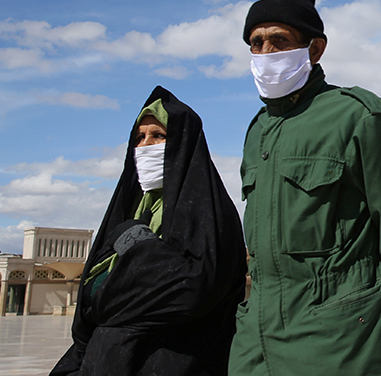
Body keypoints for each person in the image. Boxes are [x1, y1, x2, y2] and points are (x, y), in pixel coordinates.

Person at [229, 0, 381, 376]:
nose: (265, 52)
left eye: (280, 41)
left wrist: (357, 302)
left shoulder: (358, 117)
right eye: (256, 43)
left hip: (338, 345)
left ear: (315, 48)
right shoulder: (257, 131)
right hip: (256, 345)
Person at [52, 87, 247, 376]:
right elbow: (92, 298)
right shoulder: (130, 208)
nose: (146, 145)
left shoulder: (208, 212)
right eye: (139, 138)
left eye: (158, 136)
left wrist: (135, 245)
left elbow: (193, 290)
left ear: (182, 141)